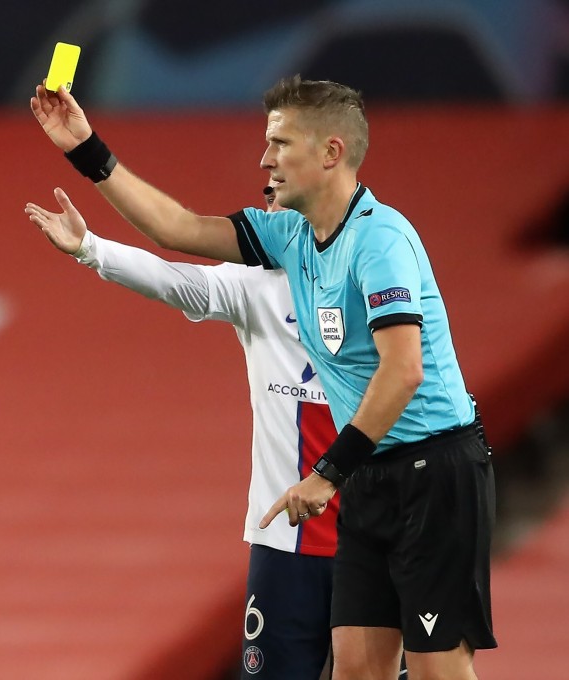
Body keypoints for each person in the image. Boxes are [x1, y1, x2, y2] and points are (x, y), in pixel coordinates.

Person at [26, 76, 495, 680]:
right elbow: (179, 228)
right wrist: (85, 148)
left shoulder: (381, 242)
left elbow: (403, 371)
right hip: (372, 479)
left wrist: (327, 474)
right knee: (359, 671)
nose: (264, 158)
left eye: (280, 143)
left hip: (435, 472)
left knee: (438, 674)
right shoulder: (292, 235)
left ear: (331, 152)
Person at [30, 180, 341, 678]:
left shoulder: (377, 273)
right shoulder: (254, 283)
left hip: (371, 539)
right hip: (285, 545)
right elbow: (172, 279)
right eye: (266, 191)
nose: (268, 196)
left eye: (281, 185)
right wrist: (91, 249)